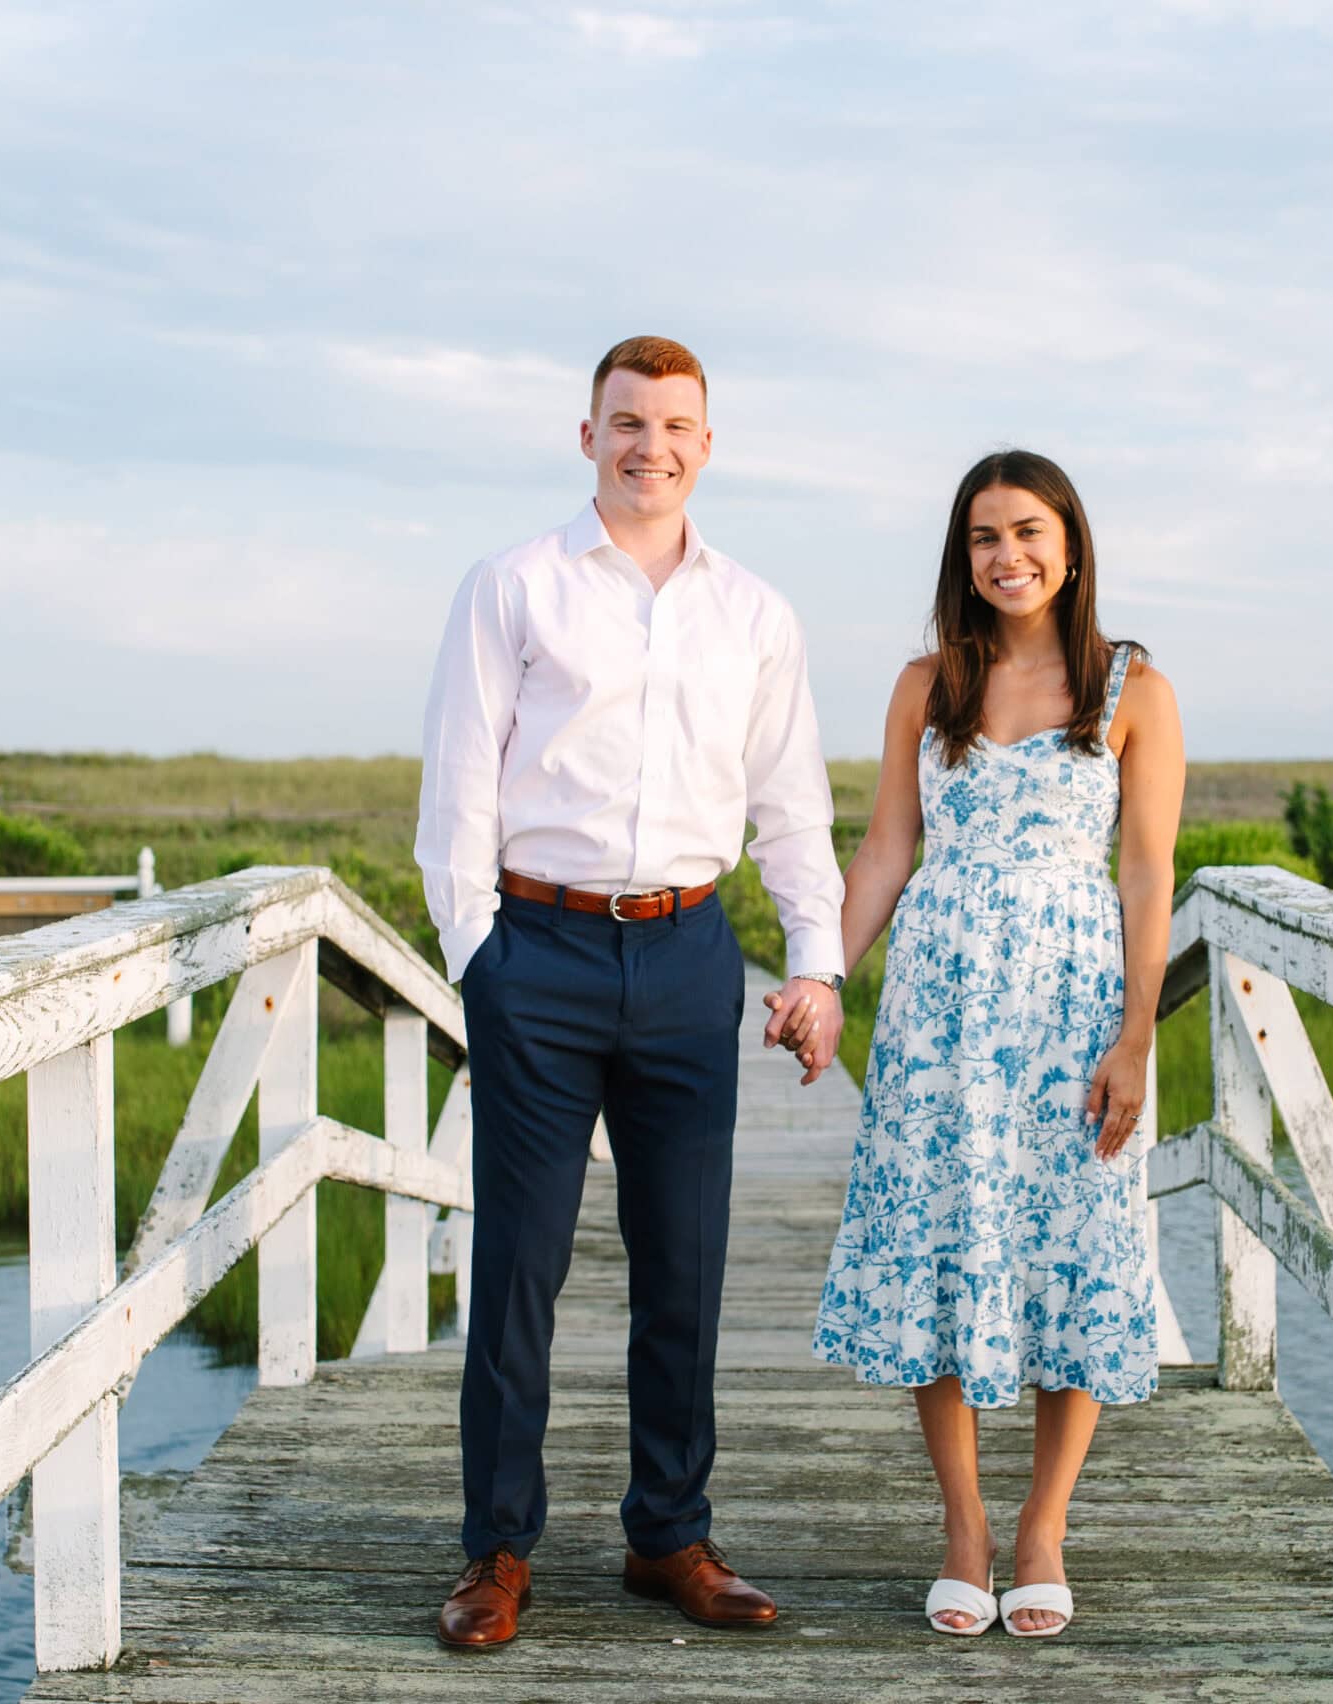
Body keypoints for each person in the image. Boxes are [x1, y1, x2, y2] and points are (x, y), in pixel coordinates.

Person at [414, 335, 849, 1650]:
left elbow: (790, 804)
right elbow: (458, 788)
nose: (649, 445)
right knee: (519, 1268)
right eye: (626, 422)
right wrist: (474, 956)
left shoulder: (756, 614)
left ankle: (669, 1535)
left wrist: (816, 963)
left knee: (686, 1260)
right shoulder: (514, 588)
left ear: (705, 445)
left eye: (674, 425)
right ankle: (497, 1549)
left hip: (686, 953)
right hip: (536, 955)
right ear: (588, 435)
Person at [802, 448, 1185, 1638]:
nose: (1005, 556)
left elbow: (1146, 872)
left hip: (1073, 1007)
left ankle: (1042, 1529)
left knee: (1075, 1248)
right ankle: (965, 1528)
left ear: (1069, 545)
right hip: (939, 1013)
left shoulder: (1132, 687)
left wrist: (1134, 1037)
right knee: (942, 1243)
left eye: (1027, 532)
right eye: (982, 537)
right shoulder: (928, 684)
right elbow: (882, 854)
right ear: (959, 556)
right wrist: (821, 979)